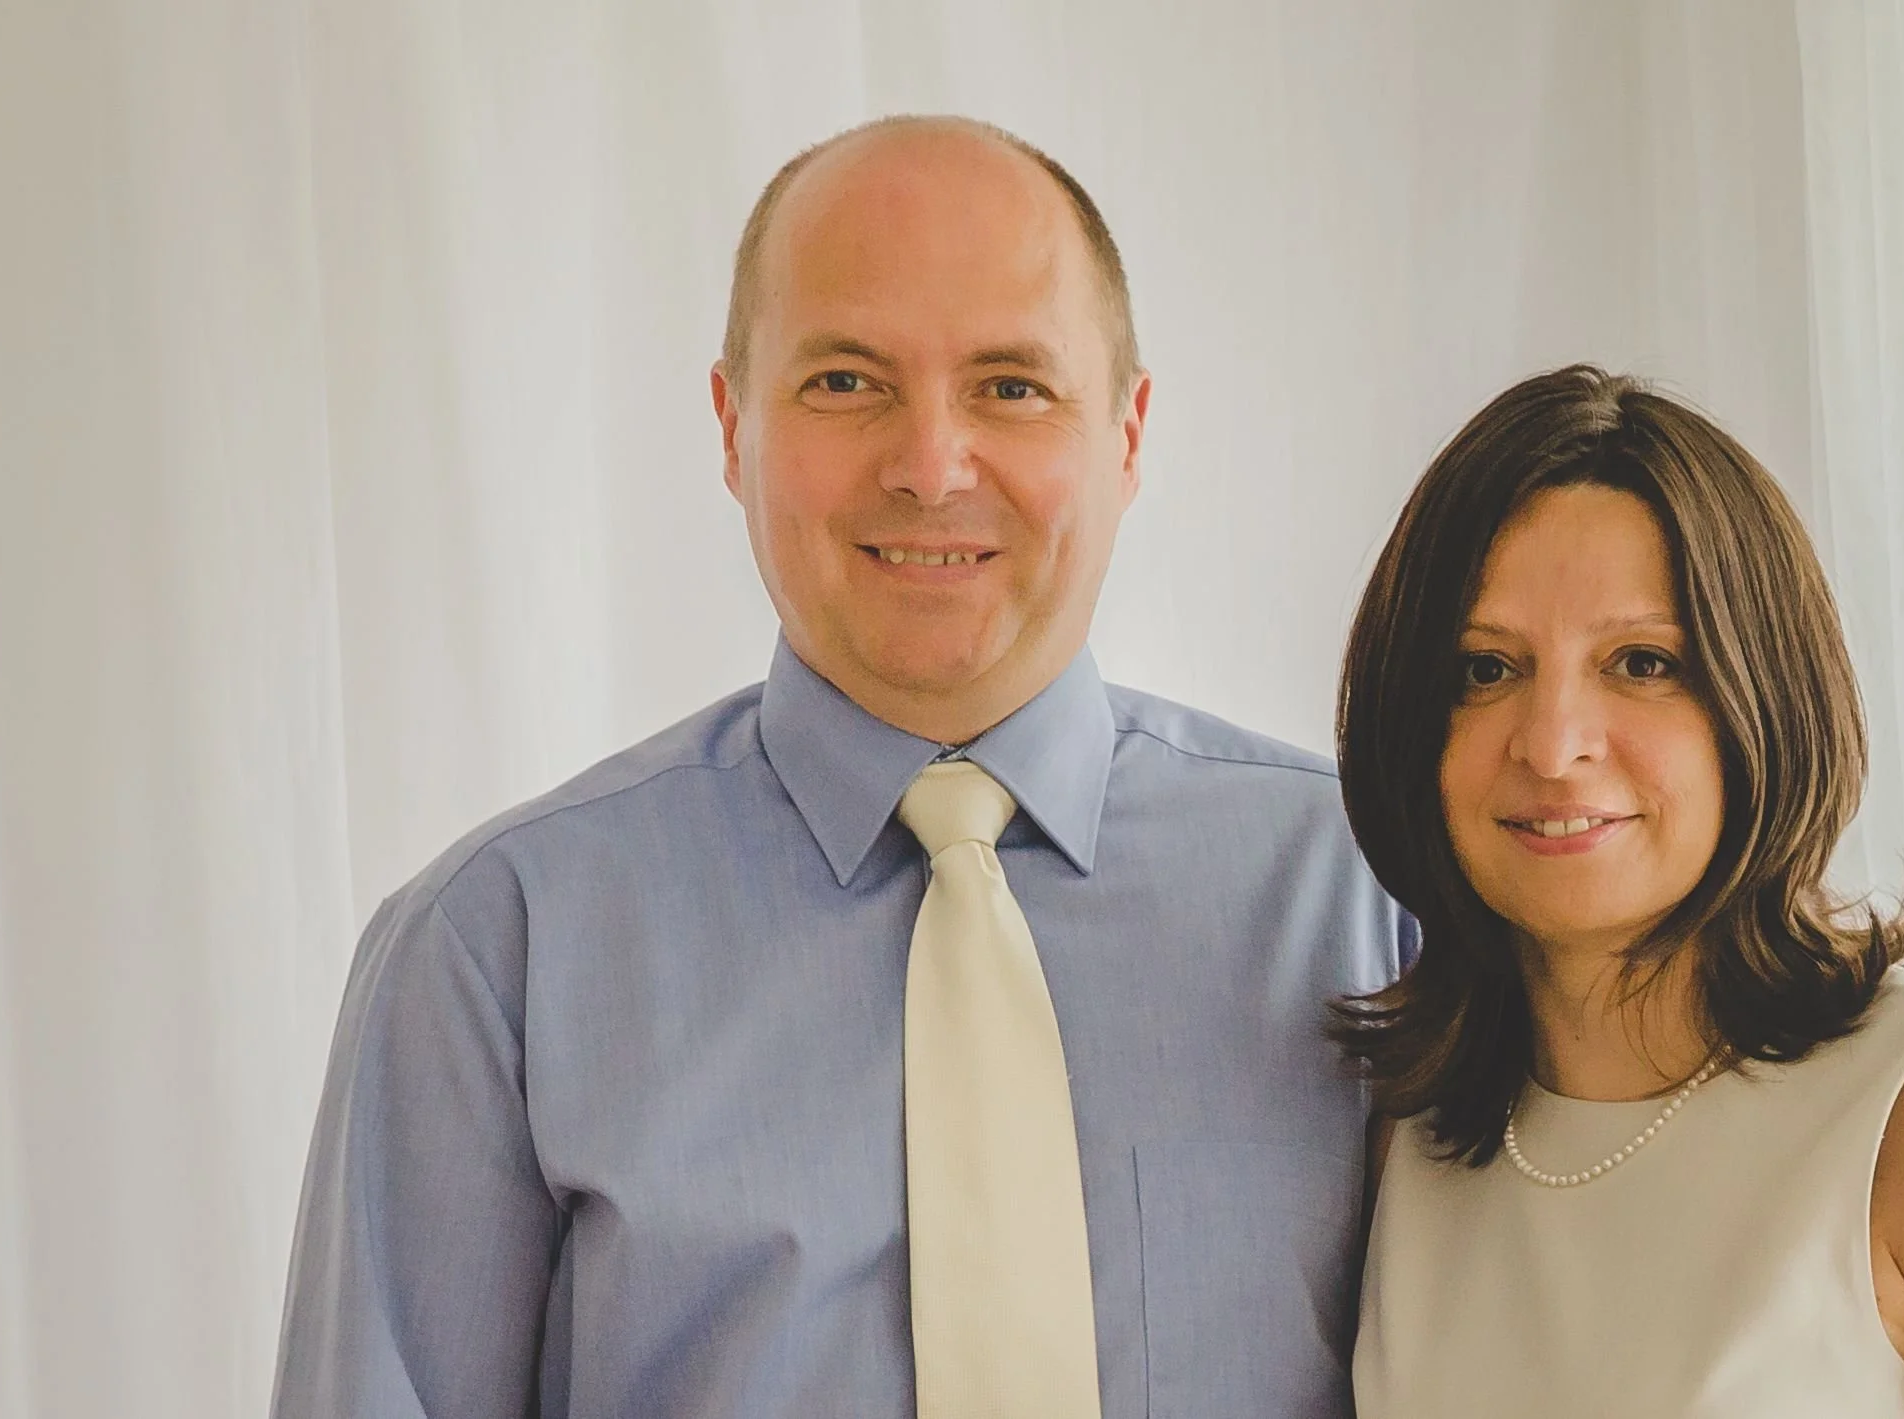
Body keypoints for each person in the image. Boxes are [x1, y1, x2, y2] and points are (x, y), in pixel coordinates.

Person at [269, 115, 1411, 1418]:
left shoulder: (1369, 893)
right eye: (845, 382)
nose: (930, 467)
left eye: (1011, 387)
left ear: (1128, 432)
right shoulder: (495, 954)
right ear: (730, 426)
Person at [1338, 366, 1904, 1417]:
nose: (1551, 745)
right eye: (1484, 669)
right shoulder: (1399, 1141)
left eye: (1641, 663)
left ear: (1764, 694)